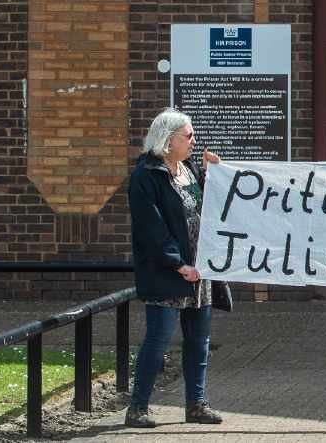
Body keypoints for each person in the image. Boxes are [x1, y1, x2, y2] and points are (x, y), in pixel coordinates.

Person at [126, 108, 226, 428]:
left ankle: (196, 404)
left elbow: (204, 210)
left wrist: (214, 176)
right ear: (168, 140)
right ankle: (138, 407)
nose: (194, 141)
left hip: (199, 272)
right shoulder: (147, 175)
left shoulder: (189, 169)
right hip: (169, 271)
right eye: (189, 136)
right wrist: (177, 263)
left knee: (199, 340)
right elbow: (150, 227)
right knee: (159, 338)